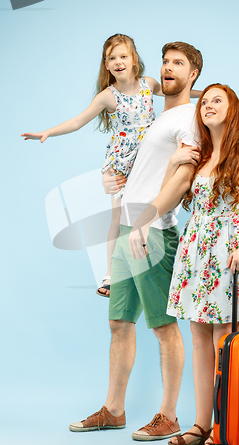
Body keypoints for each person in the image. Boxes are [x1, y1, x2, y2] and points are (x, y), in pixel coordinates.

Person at [129, 83, 239, 445]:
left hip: (231, 252)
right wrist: (141, 223)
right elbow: (167, 197)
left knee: (223, 340)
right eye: (205, 101)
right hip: (195, 251)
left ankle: (223, 426)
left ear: (233, 110)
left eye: (217, 100)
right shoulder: (196, 155)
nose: (208, 105)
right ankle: (200, 425)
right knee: (199, 340)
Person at [68, 42, 204, 440]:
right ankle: (114, 409)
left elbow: (183, 180)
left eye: (178, 63)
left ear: (193, 74)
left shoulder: (189, 119)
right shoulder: (156, 115)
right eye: (165, 61)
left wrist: (149, 218)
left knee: (163, 327)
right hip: (127, 226)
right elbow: (138, 166)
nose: (168, 68)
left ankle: (169, 416)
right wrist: (113, 182)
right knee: (118, 323)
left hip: (154, 232)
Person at [21, 34, 201, 298]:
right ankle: (111, 273)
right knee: (118, 218)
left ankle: (155, 260)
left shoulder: (148, 84)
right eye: (111, 58)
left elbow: (176, 90)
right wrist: (48, 132)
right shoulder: (108, 96)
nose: (118, 62)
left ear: (135, 60)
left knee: (149, 206)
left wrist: (206, 94)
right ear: (106, 66)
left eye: (123, 56)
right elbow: (78, 121)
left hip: (145, 156)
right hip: (122, 160)